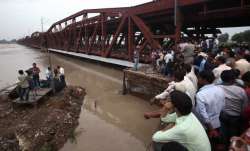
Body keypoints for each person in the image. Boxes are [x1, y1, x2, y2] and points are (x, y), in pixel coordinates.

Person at [219, 70, 249, 148]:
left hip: (223, 114)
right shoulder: (240, 90)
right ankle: (232, 146)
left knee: (224, 131)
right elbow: (245, 105)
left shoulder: (217, 87)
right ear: (233, 79)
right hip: (236, 116)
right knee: (234, 133)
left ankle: (225, 145)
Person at [195, 71, 225, 136]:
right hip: (218, 122)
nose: (198, 80)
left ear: (204, 79)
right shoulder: (220, 89)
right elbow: (223, 106)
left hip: (207, 126)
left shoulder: (200, 94)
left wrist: (211, 129)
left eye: (199, 78)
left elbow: (202, 113)